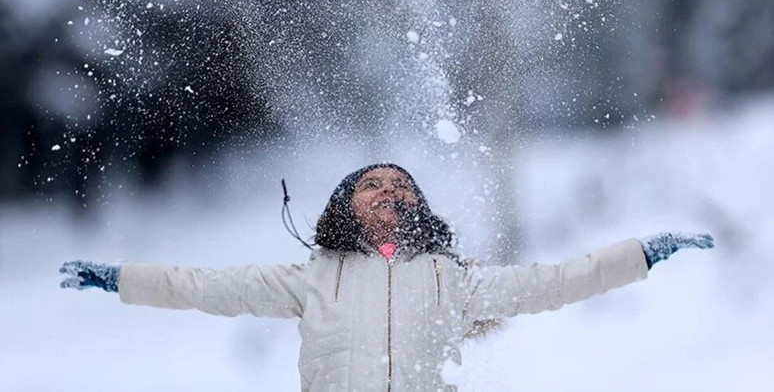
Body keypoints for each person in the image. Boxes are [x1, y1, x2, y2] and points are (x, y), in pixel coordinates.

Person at [59, 163, 714, 392]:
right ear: (346, 205)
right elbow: (202, 285)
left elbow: (555, 280)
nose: (388, 190)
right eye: (372, 183)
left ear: (419, 207)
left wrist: (641, 253)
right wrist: (119, 277)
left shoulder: (452, 280)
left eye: (402, 185)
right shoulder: (311, 277)